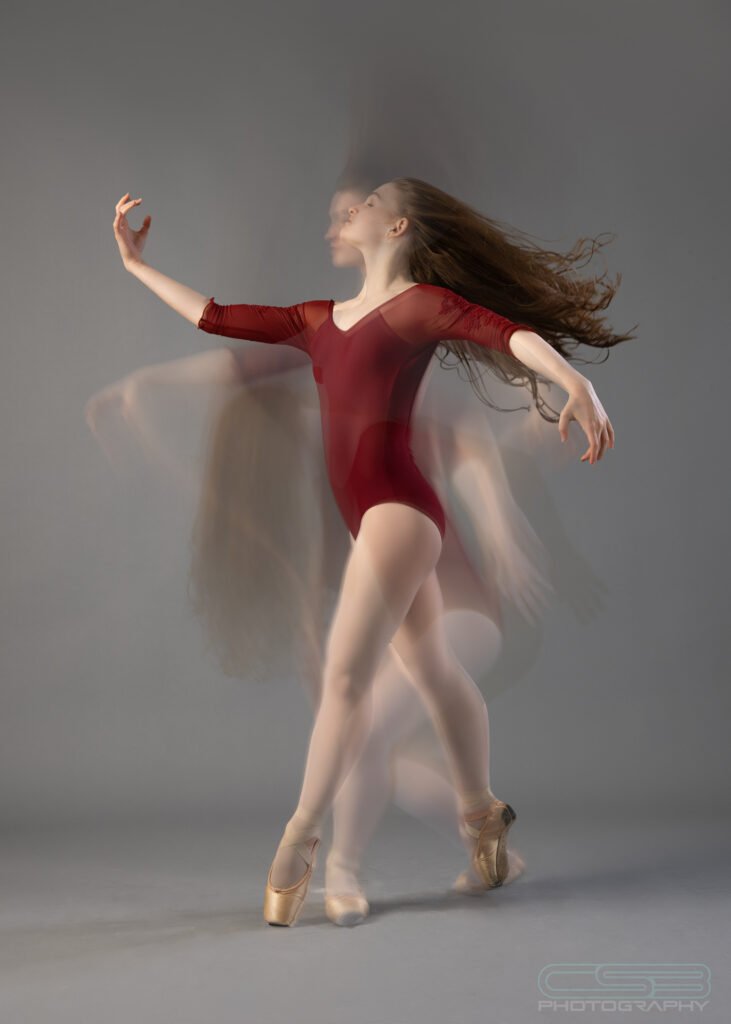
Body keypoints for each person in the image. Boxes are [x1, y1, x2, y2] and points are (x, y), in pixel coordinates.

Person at [111, 176, 627, 927]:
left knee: (347, 677)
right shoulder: (316, 319)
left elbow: (503, 333)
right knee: (428, 665)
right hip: (370, 518)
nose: (350, 207)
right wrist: (134, 267)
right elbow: (214, 316)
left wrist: (573, 377)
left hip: (399, 510)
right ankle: (483, 818)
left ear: (397, 228)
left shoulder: (416, 306)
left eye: (370, 200)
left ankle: (299, 840)